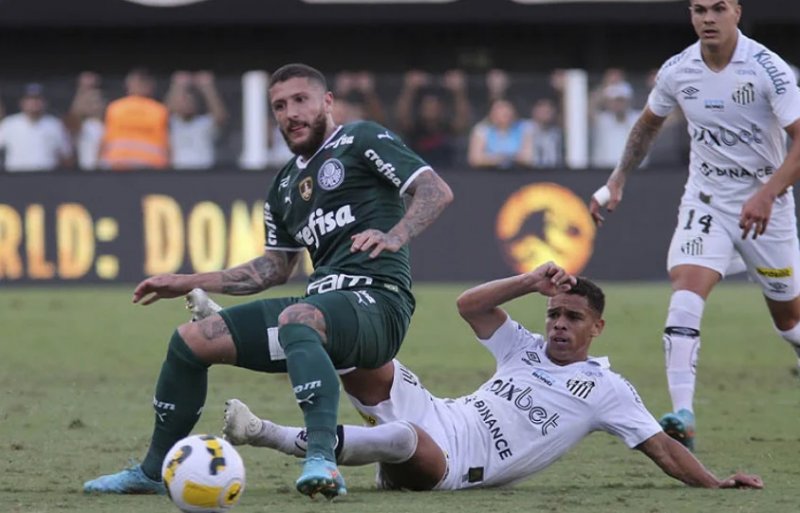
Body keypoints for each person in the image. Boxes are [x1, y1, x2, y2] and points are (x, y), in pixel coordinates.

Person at [83, 63, 453, 499]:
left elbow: (434, 190)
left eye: (301, 100)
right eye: (280, 105)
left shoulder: (361, 139)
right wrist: (188, 280)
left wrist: (395, 235)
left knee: (300, 316)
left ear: (327, 102)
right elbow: (273, 269)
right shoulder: (283, 186)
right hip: (321, 312)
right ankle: (151, 470)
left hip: (379, 305)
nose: (291, 113)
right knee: (190, 341)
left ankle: (322, 460)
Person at [214, 263, 763, 492]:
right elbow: (468, 305)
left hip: (455, 463)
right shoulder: (524, 348)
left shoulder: (607, 390)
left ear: (597, 327)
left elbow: (664, 449)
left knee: (405, 439)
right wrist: (529, 282)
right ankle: (229, 330)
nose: (559, 325)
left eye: (572, 318)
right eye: (555, 315)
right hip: (440, 412)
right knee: (357, 349)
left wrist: (715, 484)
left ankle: (260, 432)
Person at [589, 0, 800, 452]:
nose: (707, 18)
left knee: (789, 319)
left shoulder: (769, 69)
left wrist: (767, 194)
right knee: (686, 293)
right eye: (699, 9)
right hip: (705, 201)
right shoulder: (678, 70)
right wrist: (618, 177)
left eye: (718, 8)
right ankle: (682, 415)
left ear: (736, 12)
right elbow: (648, 125)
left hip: (768, 208)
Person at [98, 68, 170, 170]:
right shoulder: (160, 110)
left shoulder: (115, 107)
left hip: (129, 167)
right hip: (145, 169)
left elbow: (103, 143)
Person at [0, 83, 72, 172]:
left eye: (38, 99)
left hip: (47, 176)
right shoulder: (9, 123)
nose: (34, 103)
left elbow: (66, 154)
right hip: (15, 175)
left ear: (45, 102)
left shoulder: (55, 124)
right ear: (22, 102)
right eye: (30, 99)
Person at [166, 70, 228, 170]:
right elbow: (164, 113)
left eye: (190, 102)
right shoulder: (174, 124)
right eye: (184, 101)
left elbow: (220, 116)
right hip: (177, 173)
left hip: (203, 172)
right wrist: (178, 86)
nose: (187, 105)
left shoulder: (203, 123)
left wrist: (208, 87)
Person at [467, 98, 533, 169]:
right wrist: (504, 159)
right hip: (488, 173)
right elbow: (475, 159)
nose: (504, 112)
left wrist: (491, 158)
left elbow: (528, 158)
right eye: (499, 110)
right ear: (491, 114)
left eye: (507, 109)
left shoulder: (525, 127)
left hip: (519, 173)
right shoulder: (481, 129)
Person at [64, 72, 106, 170]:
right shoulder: (82, 125)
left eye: (96, 101)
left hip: (107, 170)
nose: (94, 105)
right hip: (86, 170)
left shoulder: (109, 124)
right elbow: (73, 121)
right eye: (89, 102)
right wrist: (83, 89)